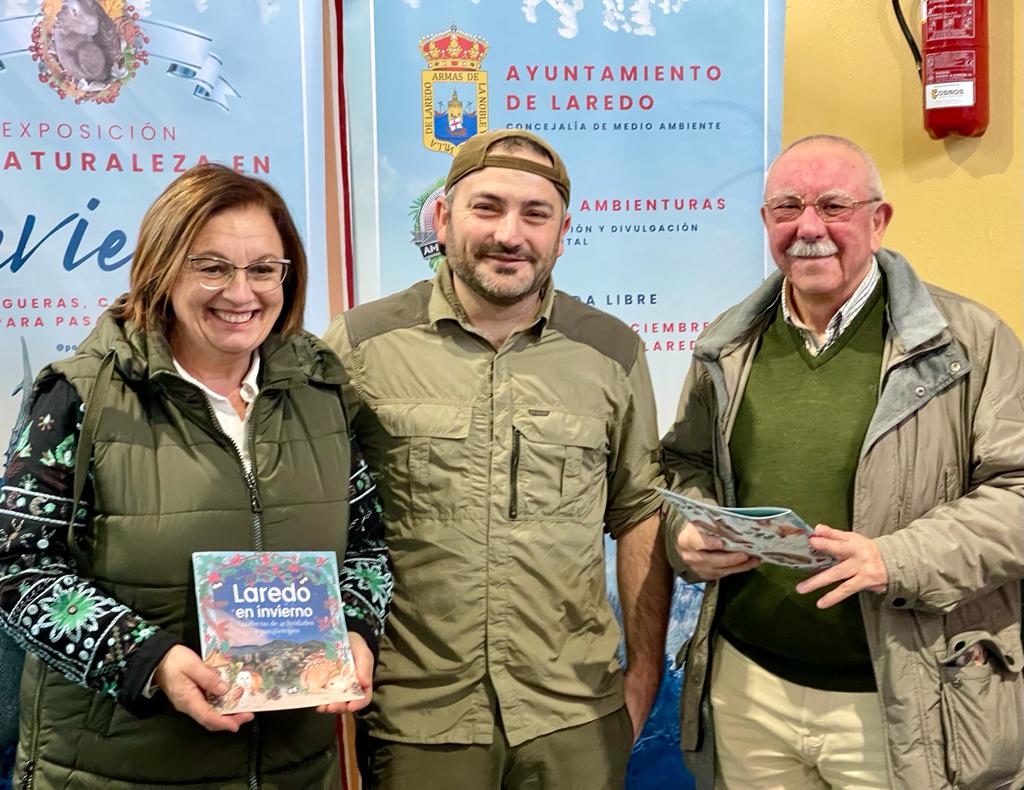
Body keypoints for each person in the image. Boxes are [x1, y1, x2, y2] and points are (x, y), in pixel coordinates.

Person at [0, 164, 393, 789]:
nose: (240, 292)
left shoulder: (322, 392)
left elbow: (368, 543)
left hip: (294, 769)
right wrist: (146, 660)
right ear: (162, 270)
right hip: (117, 771)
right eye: (211, 267)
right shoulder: (79, 394)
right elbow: (16, 570)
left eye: (263, 269)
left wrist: (356, 629)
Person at [661, 134, 1024, 789]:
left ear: (878, 221)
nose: (808, 228)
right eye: (787, 207)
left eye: (833, 206)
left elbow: (1018, 495)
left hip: (907, 696)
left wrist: (899, 558)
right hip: (748, 692)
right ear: (766, 221)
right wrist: (688, 533)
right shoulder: (726, 344)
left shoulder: (971, 342)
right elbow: (682, 465)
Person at [323, 129, 672, 788]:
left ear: (562, 234)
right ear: (443, 217)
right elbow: (319, 513)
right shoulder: (361, 345)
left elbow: (638, 513)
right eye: (487, 208)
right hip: (417, 720)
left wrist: (644, 675)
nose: (510, 234)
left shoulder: (611, 352)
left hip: (574, 717)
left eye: (535, 215)